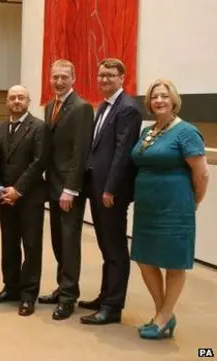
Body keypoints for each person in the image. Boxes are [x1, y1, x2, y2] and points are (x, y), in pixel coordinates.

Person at [130, 79, 209, 339]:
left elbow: (202, 174)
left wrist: (195, 201)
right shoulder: (148, 132)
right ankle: (163, 312)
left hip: (175, 206)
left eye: (164, 96)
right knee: (144, 259)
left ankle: (162, 317)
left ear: (174, 100)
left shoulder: (186, 132)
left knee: (174, 263)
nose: (159, 100)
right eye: (154, 97)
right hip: (147, 207)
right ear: (149, 103)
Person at [80, 58, 142, 325]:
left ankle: (112, 307)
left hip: (111, 192)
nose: (104, 79)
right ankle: (105, 295)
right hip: (97, 187)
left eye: (110, 75)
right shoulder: (105, 106)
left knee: (115, 248)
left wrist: (110, 188)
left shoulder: (127, 108)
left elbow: (122, 153)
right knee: (106, 245)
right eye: (101, 75)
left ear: (122, 77)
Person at [0, 85, 48, 316]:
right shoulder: (0, 129)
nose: (16, 101)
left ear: (28, 101)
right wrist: (1, 188)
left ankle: (28, 294)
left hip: (29, 197)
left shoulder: (39, 127)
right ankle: (10, 288)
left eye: (21, 97)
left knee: (31, 246)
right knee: (8, 244)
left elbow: (38, 162)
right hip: (5, 198)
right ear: (7, 103)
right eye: (12, 98)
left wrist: (18, 190)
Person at [39, 59, 94, 320]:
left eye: (64, 77)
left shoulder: (81, 108)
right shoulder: (51, 106)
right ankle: (62, 287)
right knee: (58, 241)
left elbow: (80, 152)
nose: (59, 82)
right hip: (52, 184)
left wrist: (70, 189)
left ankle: (69, 297)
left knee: (70, 242)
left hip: (68, 189)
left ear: (73, 78)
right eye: (55, 77)